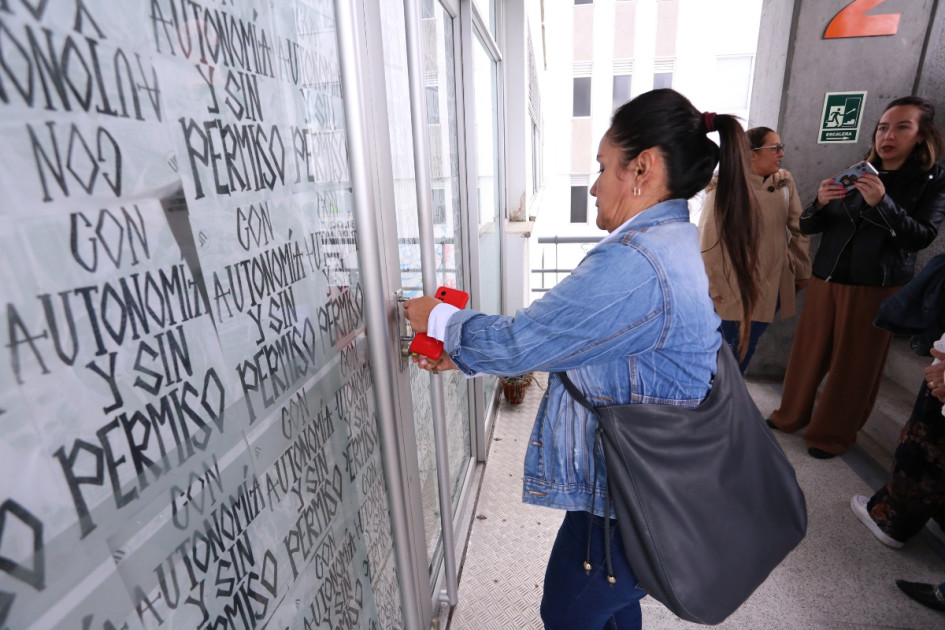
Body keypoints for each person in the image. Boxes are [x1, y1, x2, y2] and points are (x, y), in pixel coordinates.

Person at [404, 88, 760, 630]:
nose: (594, 187)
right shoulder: (671, 238)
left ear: (641, 168)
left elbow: (526, 339)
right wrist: (465, 353)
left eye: (602, 167)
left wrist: (437, 320)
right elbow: (580, 343)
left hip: (633, 498)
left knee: (569, 612)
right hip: (647, 485)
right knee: (613, 606)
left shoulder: (638, 261)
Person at [767, 95, 945, 459]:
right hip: (828, 277)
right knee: (807, 353)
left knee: (855, 365)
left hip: (875, 286)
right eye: (882, 127)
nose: (887, 135)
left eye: (901, 127)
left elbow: (922, 235)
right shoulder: (858, 171)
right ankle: (790, 416)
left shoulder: (930, 180)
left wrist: (885, 204)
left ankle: (830, 436)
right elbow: (807, 226)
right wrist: (819, 202)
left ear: (922, 135)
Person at [699, 126, 811, 372]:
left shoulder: (784, 181)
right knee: (731, 354)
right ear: (751, 154)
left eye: (781, 147)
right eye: (775, 148)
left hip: (774, 283)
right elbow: (707, 242)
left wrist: (801, 270)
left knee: (747, 345)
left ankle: (728, 401)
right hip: (733, 287)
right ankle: (722, 404)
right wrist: (714, 287)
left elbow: (799, 227)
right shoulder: (723, 190)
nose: (781, 154)